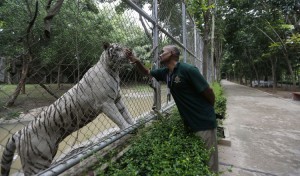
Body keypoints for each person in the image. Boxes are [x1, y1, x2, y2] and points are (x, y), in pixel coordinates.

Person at [125, 45, 218, 173]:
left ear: (173, 53)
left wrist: (206, 111)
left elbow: (209, 92)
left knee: (210, 165)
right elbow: (147, 72)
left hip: (204, 123)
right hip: (190, 124)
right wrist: (136, 61)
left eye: (163, 51)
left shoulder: (188, 69)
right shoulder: (165, 73)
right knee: (198, 162)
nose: (160, 54)